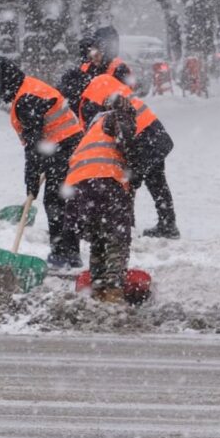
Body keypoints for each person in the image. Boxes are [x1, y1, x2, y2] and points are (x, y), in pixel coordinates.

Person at [0, 56, 83, 268]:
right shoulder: (28, 87)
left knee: (56, 200)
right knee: (63, 199)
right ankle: (68, 252)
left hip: (64, 147)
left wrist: (31, 178)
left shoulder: (26, 99)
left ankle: (64, 254)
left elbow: (35, 146)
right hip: (69, 145)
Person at [79, 73, 180, 239]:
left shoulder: (89, 100)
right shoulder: (104, 80)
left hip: (138, 140)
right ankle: (168, 223)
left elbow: (98, 132)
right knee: (157, 181)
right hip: (155, 131)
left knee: (126, 184)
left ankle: (126, 227)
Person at [64, 96, 140, 303]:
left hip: (79, 187)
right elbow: (128, 144)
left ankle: (98, 289)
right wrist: (135, 173)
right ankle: (113, 292)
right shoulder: (119, 118)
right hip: (106, 182)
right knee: (117, 238)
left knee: (98, 238)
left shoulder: (93, 127)